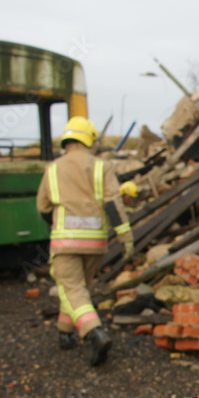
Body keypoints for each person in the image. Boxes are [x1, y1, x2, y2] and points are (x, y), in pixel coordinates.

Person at [36, 116, 134, 365]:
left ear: (67, 140)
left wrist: (55, 220)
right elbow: (113, 204)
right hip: (95, 243)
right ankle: (65, 332)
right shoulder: (102, 166)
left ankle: (95, 332)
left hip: (65, 242)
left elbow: (43, 207)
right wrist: (126, 238)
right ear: (89, 139)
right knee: (79, 290)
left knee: (71, 289)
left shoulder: (53, 168)